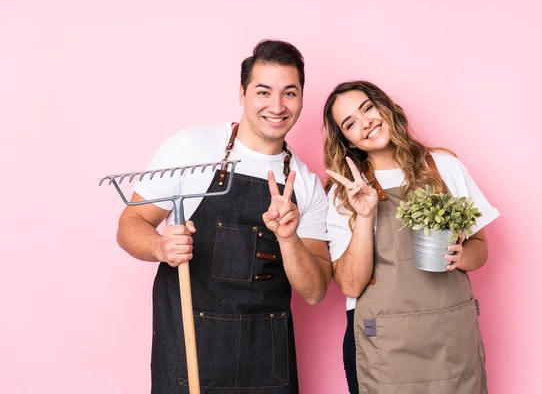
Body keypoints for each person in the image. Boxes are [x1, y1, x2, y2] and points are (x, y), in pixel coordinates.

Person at [116, 39, 332, 394]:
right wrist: (160, 247)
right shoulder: (191, 147)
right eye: (263, 91)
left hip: (267, 364)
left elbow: (314, 291)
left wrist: (288, 238)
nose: (276, 106)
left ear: (302, 99)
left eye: (289, 93)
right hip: (189, 357)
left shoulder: (306, 185)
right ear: (243, 93)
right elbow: (129, 226)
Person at [323, 80, 499, 394]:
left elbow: (481, 249)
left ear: (385, 106)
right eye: (350, 123)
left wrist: (461, 255)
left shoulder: (444, 167)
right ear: (346, 140)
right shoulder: (345, 193)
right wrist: (364, 217)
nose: (366, 123)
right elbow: (350, 285)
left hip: (450, 339)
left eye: (368, 108)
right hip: (385, 346)